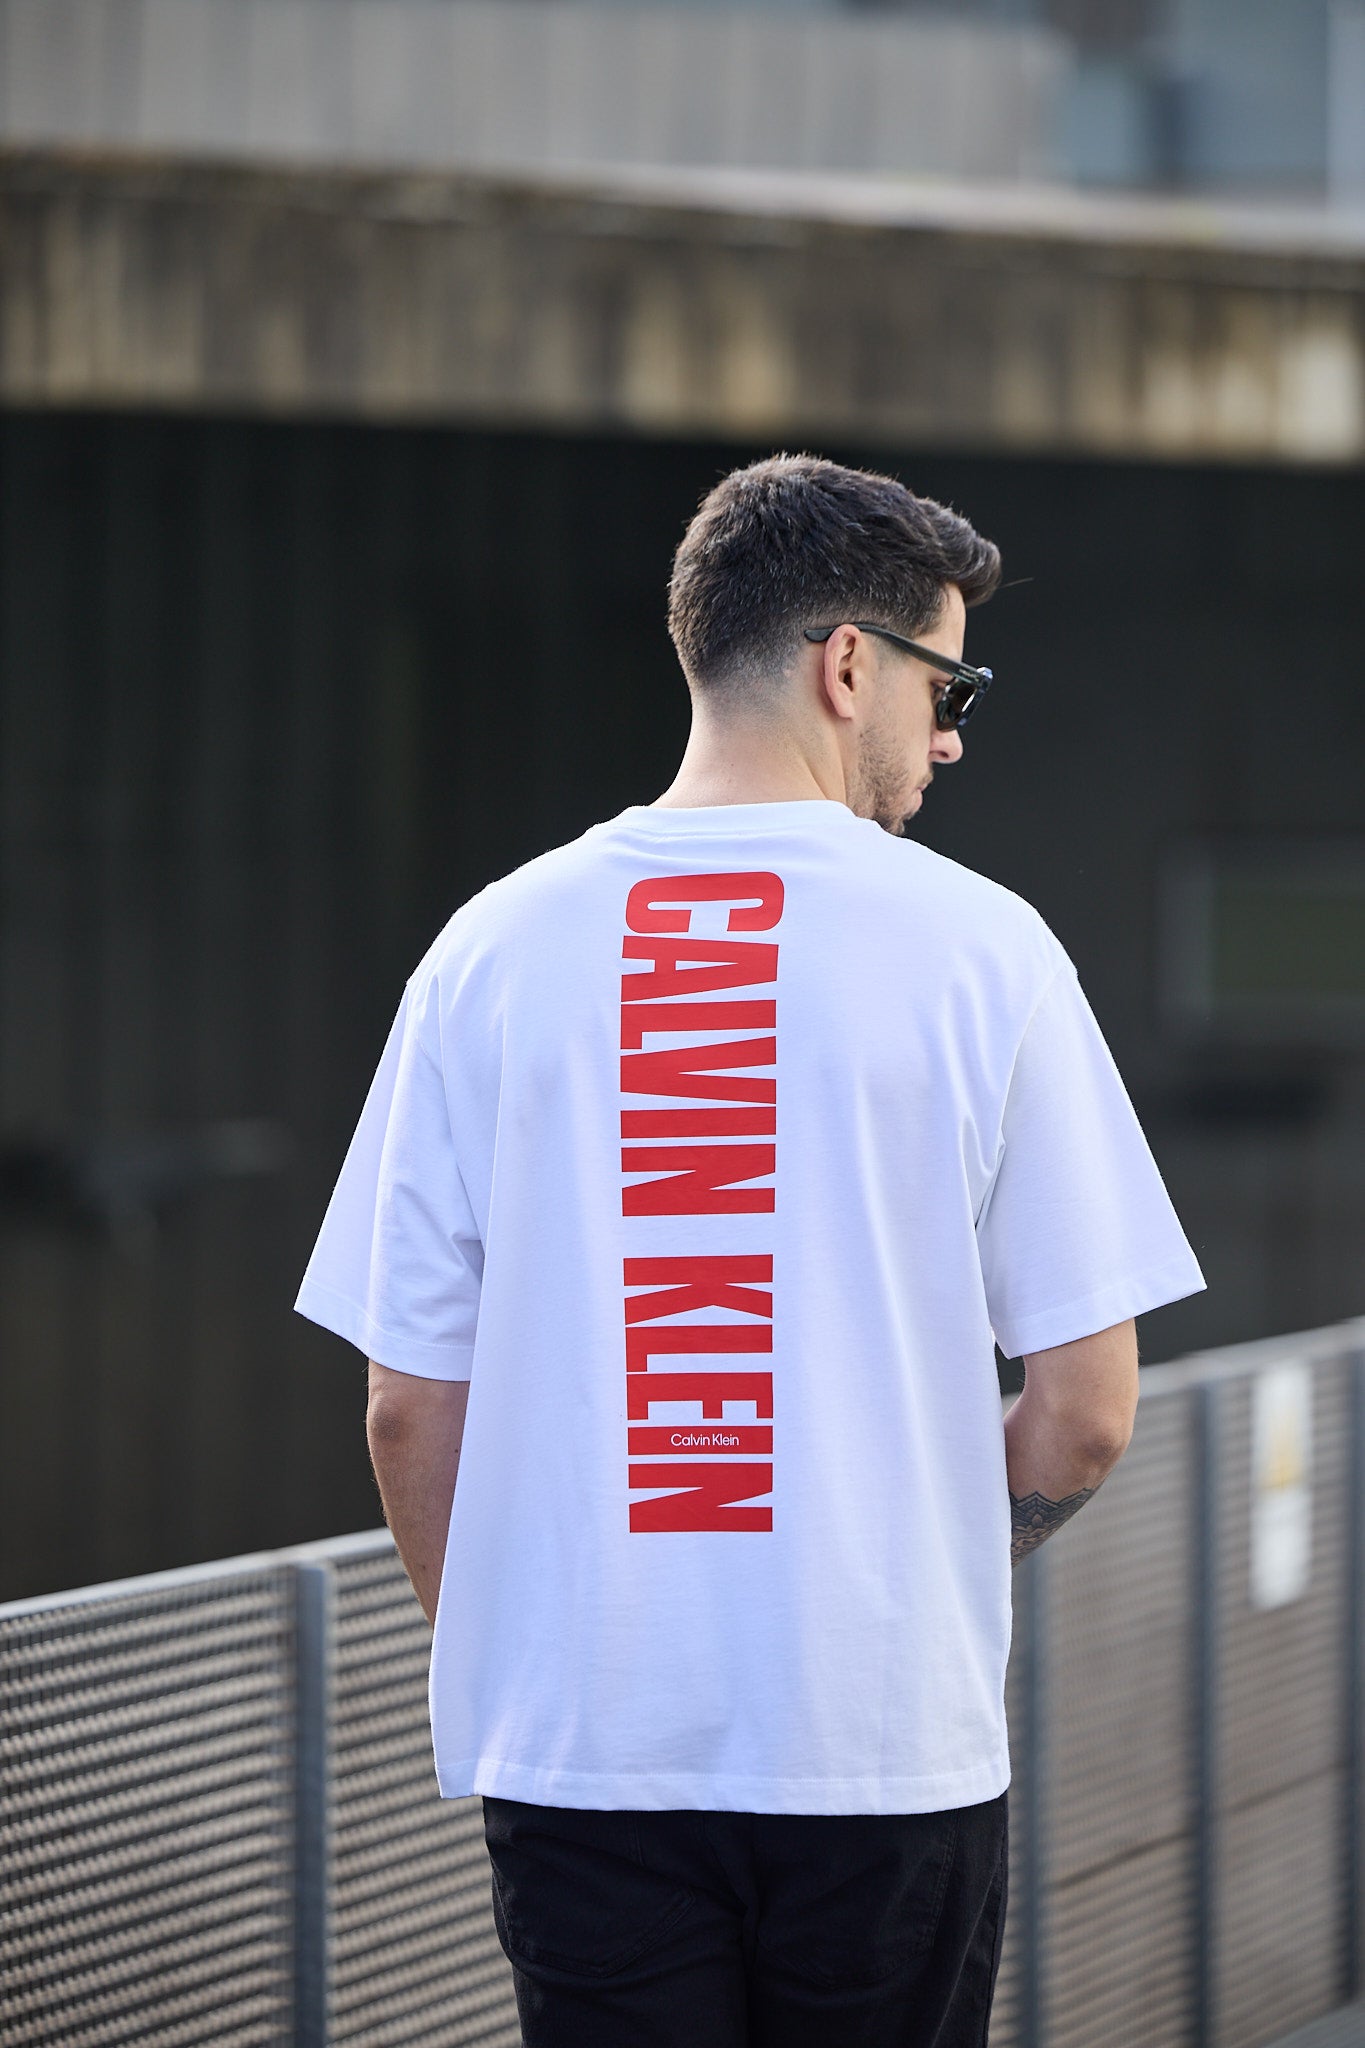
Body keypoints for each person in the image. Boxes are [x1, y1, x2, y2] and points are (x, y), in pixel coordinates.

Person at [295, 453, 1205, 2047]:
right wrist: (897, 1563)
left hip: (588, 1755)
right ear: (848, 664)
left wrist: (545, 1653)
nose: (950, 733)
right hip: (881, 1744)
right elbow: (1083, 1413)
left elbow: (407, 1406)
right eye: (945, 684)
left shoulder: (486, 953)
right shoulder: (983, 952)